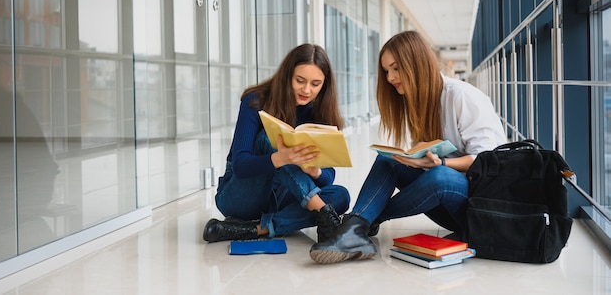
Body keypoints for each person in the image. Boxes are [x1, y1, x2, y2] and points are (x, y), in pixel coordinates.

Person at [309, 31, 507, 264]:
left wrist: (441, 163)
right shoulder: (419, 102)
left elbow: (488, 160)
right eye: (386, 71)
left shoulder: (462, 96)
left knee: (440, 176)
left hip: (481, 205)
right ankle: (357, 227)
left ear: (416, 62)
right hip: (449, 204)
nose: (391, 77)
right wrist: (415, 158)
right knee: (388, 161)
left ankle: (357, 224)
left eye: (396, 68)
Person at [203, 44, 351, 244]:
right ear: (287, 75)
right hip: (240, 196)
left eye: (315, 84)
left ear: (324, 85)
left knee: (341, 196)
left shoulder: (319, 113)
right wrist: (280, 158)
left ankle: (257, 229)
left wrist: (314, 171)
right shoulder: (255, 101)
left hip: (281, 196)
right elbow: (240, 165)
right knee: (269, 137)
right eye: (300, 81)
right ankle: (322, 213)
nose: (307, 90)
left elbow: (328, 178)